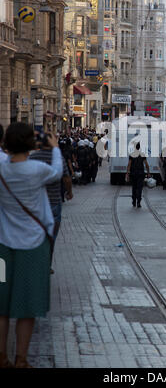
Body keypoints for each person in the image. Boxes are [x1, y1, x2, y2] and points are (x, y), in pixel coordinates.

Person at [0, 123, 63, 368]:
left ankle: (2, 357)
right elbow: (57, 172)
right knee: (27, 306)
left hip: (3, 246)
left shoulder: (2, 170)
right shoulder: (37, 170)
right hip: (33, 246)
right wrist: (55, 147)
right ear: (31, 144)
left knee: (1, 306)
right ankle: (21, 359)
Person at [29, 133, 73, 272]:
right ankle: (46, 264)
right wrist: (69, 192)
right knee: (51, 237)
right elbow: (66, 177)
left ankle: (35, 261)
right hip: (54, 202)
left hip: (36, 203)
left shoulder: (33, 157)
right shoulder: (58, 158)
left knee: (36, 234)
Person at [126, 143, 150, 208]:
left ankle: (134, 201)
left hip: (133, 173)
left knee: (134, 187)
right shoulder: (142, 154)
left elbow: (129, 164)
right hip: (140, 173)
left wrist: (127, 173)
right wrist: (148, 173)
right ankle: (138, 202)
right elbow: (146, 165)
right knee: (139, 188)